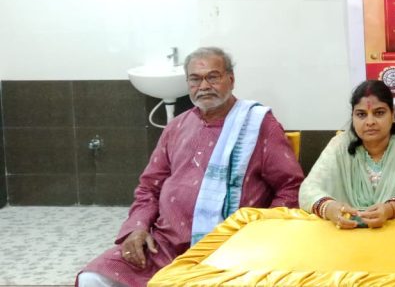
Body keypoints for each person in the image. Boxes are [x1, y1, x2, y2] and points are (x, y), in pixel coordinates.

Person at [78, 47, 303, 287]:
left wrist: (261, 234)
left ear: (231, 79)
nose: (203, 86)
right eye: (195, 79)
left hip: (231, 248)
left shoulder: (258, 125)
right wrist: (137, 228)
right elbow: (148, 188)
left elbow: (291, 187)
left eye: (212, 77)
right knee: (93, 278)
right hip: (165, 245)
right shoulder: (176, 126)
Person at [300, 80, 395, 229]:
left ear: (392, 114)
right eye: (361, 114)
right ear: (353, 117)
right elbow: (308, 189)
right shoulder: (340, 144)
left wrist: (390, 209)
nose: (370, 121)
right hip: (350, 231)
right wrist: (329, 208)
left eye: (379, 113)